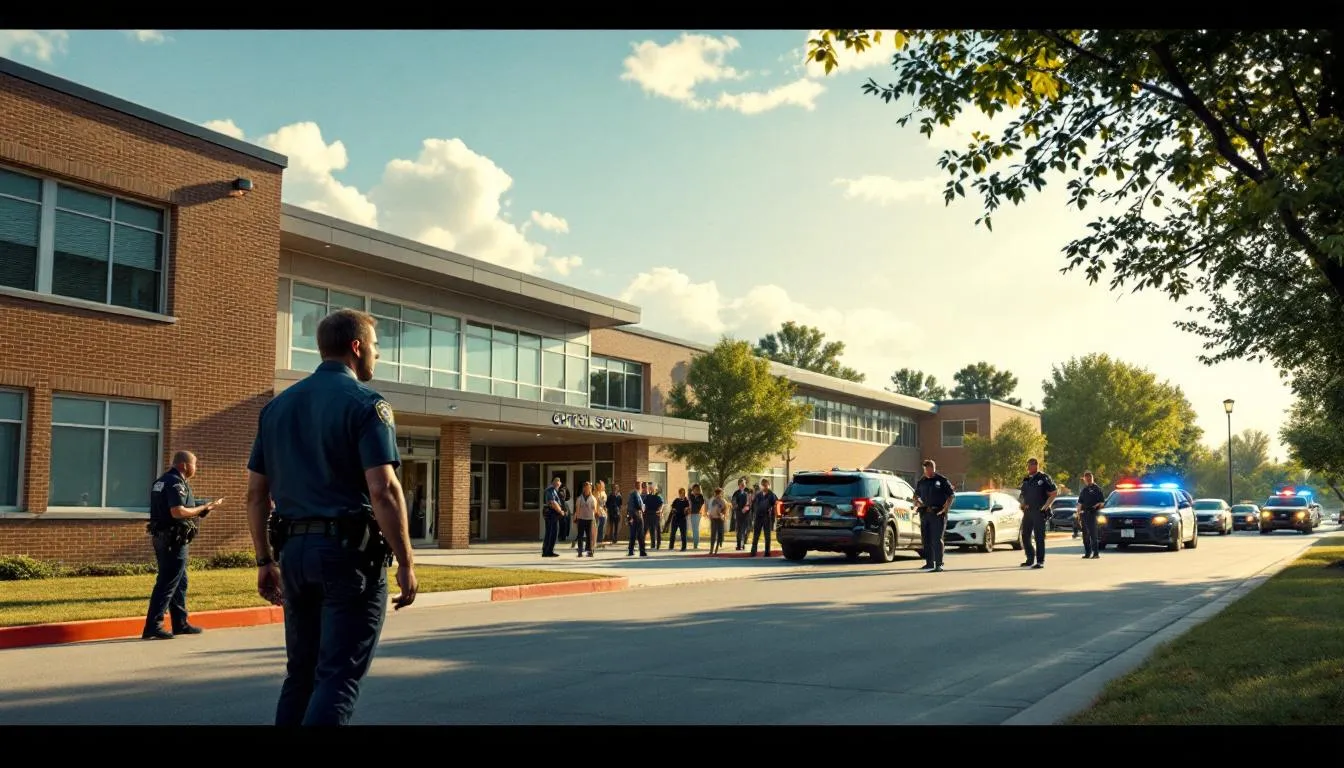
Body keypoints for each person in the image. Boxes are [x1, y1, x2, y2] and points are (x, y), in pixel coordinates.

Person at [245, 308, 417, 727]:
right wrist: (407, 562)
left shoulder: (277, 408)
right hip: (347, 558)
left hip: (295, 556)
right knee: (337, 677)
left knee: (300, 675)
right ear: (356, 348)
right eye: (375, 347)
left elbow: (254, 494)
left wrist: (265, 560)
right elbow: (384, 489)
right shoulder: (367, 404)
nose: (377, 355)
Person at [142, 450, 224, 640]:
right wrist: (203, 508)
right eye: (195, 464)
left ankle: (180, 623)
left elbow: (182, 508)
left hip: (162, 536)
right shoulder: (176, 483)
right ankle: (153, 625)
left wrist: (204, 508)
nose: (196, 468)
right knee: (167, 581)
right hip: (173, 539)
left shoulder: (161, 481)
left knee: (179, 580)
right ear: (185, 465)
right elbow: (178, 512)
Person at [913, 459, 955, 572]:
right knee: (926, 539)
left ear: (932, 468)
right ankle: (929, 563)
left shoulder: (941, 480)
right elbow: (916, 495)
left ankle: (939, 564)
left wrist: (945, 509)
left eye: (927, 468)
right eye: (924, 469)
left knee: (936, 539)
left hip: (937, 513)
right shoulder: (922, 481)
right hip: (925, 513)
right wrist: (916, 502)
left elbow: (951, 495)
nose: (926, 471)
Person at [1018, 457, 1059, 569]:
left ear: (1037, 465)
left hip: (1039, 511)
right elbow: (1022, 494)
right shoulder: (1026, 479)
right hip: (1028, 511)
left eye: (1032, 464)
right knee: (1025, 535)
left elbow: (1054, 492)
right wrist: (1022, 503)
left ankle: (1040, 561)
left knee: (1039, 537)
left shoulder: (1043, 478)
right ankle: (1030, 558)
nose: (1029, 466)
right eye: (1029, 464)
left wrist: (1046, 506)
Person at [1076, 471, 1106, 560]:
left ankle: (1096, 553)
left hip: (1093, 514)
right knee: (1085, 535)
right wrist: (1078, 514)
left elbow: (1102, 503)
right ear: (1084, 479)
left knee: (1093, 535)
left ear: (1092, 478)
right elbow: (1080, 502)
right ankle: (1087, 553)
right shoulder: (1084, 490)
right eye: (1086, 478)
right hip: (1084, 514)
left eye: (1090, 478)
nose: (1088, 480)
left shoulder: (1097, 489)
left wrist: (1096, 506)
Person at [749, 479, 779, 557]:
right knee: (756, 535)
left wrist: (774, 515)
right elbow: (753, 505)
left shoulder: (772, 495)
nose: (764, 487)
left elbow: (776, 504)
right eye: (763, 485)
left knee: (767, 535)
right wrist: (753, 516)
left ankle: (767, 552)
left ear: (769, 485)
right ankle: (753, 551)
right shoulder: (758, 495)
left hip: (767, 517)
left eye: (766, 485)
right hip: (758, 517)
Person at [574, 481, 598, 557]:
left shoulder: (593, 498)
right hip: (581, 518)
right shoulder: (579, 498)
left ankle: (590, 551)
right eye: (586, 487)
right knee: (580, 535)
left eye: (589, 488)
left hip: (590, 519)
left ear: (590, 489)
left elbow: (595, 510)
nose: (587, 489)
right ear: (584, 489)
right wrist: (576, 518)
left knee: (589, 535)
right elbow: (577, 509)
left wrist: (594, 508)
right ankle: (580, 551)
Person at [543, 477, 564, 557]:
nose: (558, 484)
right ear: (553, 482)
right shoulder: (550, 490)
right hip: (551, 513)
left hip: (552, 513)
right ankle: (548, 551)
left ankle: (546, 550)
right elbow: (553, 502)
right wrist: (560, 511)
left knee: (549, 532)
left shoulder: (554, 490)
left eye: (559, 483)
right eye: (557, 482)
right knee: (552, 532)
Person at [627, 481, 648, 557]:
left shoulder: (631, 494)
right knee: (640, 534)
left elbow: (629, 507)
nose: (639, 486)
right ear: (636, 486)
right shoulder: (636, 494)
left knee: (633, 534)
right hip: (638, 516)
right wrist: (643, 507)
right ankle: (642, 551)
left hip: (632, 516)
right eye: (638, 485)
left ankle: (631, 551)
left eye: (639, 485)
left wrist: (629, 517)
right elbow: (639, 505)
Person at [707, 487, 728, 555]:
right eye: (717, 493)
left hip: (720, 519)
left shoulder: (723, 501)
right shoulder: (712, 500)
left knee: (719, 534)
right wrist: (709, 515)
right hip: (713, 519)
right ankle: (711, 549)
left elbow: (725, 510)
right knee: (713, 534)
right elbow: (709, 509)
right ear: (715, 493)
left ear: (721, 494)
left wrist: (722, 515)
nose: (718, 495)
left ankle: (716, 549)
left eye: (719, 493)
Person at [731, 478, 750, 550]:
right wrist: (739, 509)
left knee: (745, 529)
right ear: (738, 485)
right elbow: (734, 502)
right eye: (741, 484)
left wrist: (745, 509)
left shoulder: (747, 493)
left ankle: (743, 543)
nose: (742, 485)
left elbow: (749, 502)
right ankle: (739, 545)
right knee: (739, 529)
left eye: (744, 483)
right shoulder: (736, 493)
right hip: (739, 513)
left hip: (746, 514)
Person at [688, 484, 706, 550]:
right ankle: (695, 544)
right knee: (694, 529)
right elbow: (689, 496)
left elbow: (700, 504)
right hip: (692, 514)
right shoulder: (691, 496)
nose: (695, 490)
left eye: (696, 489)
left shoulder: (701, 497)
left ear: (698, 490)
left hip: (698, 514)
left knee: (696, 529)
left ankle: (696, 544)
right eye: (694, 489)